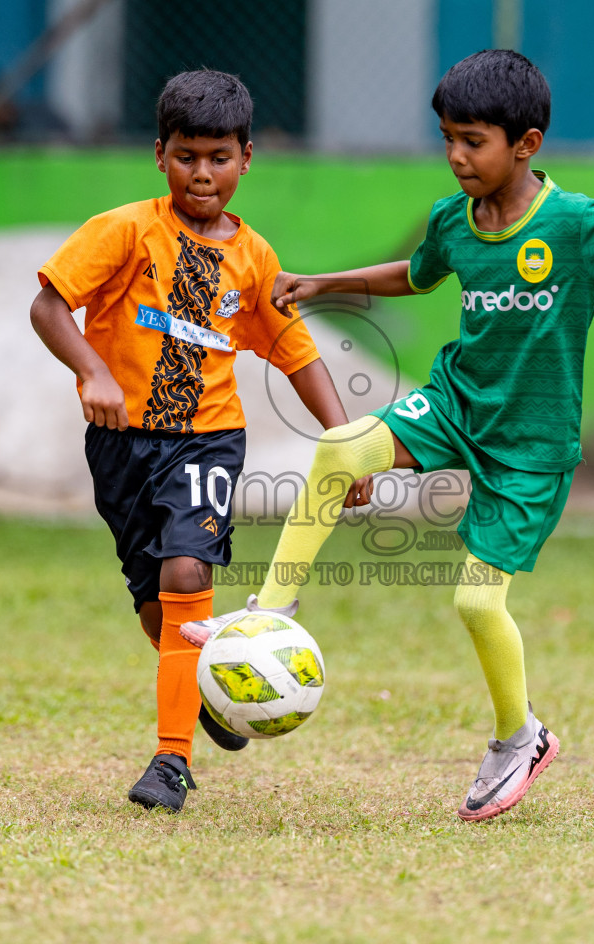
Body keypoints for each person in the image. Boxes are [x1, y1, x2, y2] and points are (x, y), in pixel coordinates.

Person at [182, 49, 594, 821]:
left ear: (525, 145)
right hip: (457, 402)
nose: (456, 155)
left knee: (474, 603)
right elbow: (419, 273)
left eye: (473, 141)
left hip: (529, 447)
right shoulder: (454, 220)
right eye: (448, 138)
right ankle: (275, 609)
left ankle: (518, 737)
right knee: (344, 445)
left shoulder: (576, 225)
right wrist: (327, 283)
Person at [30, 70, 368, 813]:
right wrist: (93, 372)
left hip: (207, 442)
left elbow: (299, 355)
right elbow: (49, 307)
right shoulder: (124, 230)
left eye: (219, 156)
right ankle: (212, 686)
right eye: (187, 156)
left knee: (187, 574)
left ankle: (171, 761)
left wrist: (348, 442)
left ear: (247, 157)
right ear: (160, 155)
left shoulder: (254, 260)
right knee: (156, 605)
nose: (203, 173)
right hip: (120, 445)